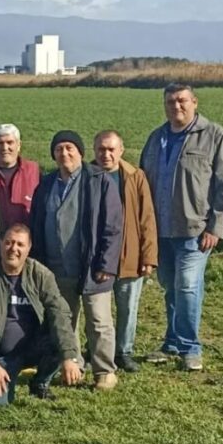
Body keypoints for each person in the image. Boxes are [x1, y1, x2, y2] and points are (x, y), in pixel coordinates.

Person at [139, 83, 223, 371]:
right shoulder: (157, 138)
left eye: (182, 101)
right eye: (170, 102)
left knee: (187, 287)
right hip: (161, 230)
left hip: (195, 231)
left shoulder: (214, 136)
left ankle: (190, 347)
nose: (176, 107)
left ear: (195, 102)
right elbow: (142, 182)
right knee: (171, 288)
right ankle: (172, 342)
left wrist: (216, 227)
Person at [30, 131, 123, 391]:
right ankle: (71, 364)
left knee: (98, 321)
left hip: (92, 267)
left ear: (81, 153)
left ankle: (104, 371)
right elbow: (37, 224)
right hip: (56, 266)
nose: (65, 154)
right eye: (59, 149)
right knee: (63, 319)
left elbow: (113, 227)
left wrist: (106, 263)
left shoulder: (99, 181)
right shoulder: (46, 184)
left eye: (70, 148)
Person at [0, 224, 83, 404]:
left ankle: (40, 382)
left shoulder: (41, 275)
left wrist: (68, 356)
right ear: (1, 244)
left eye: (20, 244)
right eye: (9, 243)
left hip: (32, 347)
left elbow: (59, 313)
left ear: (29, 248)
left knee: (58, 337)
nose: (14, 249)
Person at [92, 131, 158, 373]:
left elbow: (147, 219)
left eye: (111, 149)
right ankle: (97, 350)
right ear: (94, 151)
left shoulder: (135, 177)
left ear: (121, 150)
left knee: (128, 306)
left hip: (130, 256)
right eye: (101, 149)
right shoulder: (87, 176)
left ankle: (124, 351)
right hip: (97, 258)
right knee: (98, 310)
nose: (106, 154)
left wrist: (148, 257)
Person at [0, 123, 41, 231]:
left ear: (19, 145)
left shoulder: (33, 171)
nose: (5, 148)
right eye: (0, 143)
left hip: (27, 241)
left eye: (10, 142)